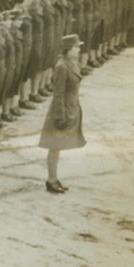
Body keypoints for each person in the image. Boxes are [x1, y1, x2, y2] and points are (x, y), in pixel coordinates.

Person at [39, 34, 86, 193]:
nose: (79, 49)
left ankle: (54, 178)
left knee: (57, 147)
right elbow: (58, 94)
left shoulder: (72, 64)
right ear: (68, 49)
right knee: (54, 146)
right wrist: (60, 116)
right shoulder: (61, 66)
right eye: (76, 47)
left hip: (70, 108)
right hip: (60, 111)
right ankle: (51, 179)